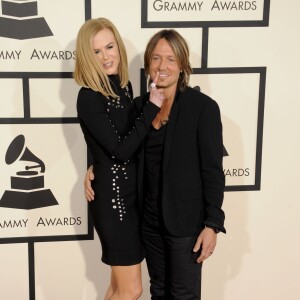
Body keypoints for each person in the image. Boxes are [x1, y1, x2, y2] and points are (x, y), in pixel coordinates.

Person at [85, 29, 226, 300]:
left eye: (171, 59)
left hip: (186, 226)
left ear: (183, 65)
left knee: (183, 294)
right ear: (148, 64)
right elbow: (116, 145)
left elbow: (213, 172)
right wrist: (93, 169)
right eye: (157, 59)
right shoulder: (140, 107)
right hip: (148, 223)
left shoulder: (202, 108)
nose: (163, 66)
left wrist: (212, 224)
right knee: (158, 292)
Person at [74, 18, 164, 300]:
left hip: (131, 197)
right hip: (114, 204)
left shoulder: (121, 88)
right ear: (88, 57)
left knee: (117, 289)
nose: (105, 56)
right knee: (132, 289)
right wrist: (151, 108)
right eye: (97, 51)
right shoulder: (88, 97)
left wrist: (92, 163)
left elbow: (115, 140)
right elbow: (121, 150)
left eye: (110, 47)